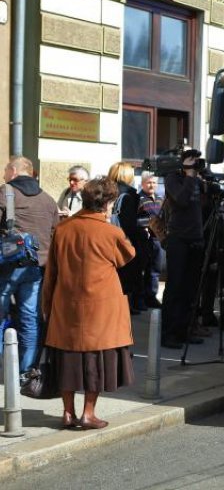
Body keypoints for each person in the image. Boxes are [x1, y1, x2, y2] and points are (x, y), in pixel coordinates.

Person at [42, 176, 136, 429]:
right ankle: (88, 414)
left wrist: (46, 307)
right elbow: (128, 255)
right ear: (107, 203)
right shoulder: (111, 232)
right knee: (95, 363)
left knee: (67, 362)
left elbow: (51, 273)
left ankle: (68, 413)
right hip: (100, 309)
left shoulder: (63, 229)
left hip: (66, 305)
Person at [0, 156, 60, 372]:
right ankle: (25, 370)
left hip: (7, 266)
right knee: (30, 318)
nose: (5, 174)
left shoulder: (6, 191)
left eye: (6, 170)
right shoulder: (48, 199)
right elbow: (55, 233)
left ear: (14, 171)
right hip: (36, 268)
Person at [161, 149, 206, 349]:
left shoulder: (197, 179)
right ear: (183, 164)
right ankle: (169, 333)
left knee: (191, 288)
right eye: (192, 162)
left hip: (196, 238)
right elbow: (181, 200)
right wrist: (189, 176)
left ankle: (185, 329)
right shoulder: (172, 178)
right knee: (175, 287)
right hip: (178, 239)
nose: (195, 165)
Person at [108, 162, 145, 314]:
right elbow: (129, 224)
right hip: (124, 240)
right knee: (127, 274)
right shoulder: (129, 194)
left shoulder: (106, 191)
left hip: (107, 238)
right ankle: (125, 306)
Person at [137, 172, 163, 309]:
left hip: (157, 239)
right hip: (144, 239)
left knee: (155, 269)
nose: (151, 185)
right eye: (148, 182)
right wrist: (144, 227)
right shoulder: (138, 198)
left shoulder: (160, 198)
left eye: (154, 182)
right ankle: (141, 299)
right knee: (143, 270)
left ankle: (151, 297)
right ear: (142, 184)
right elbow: (135, 219)